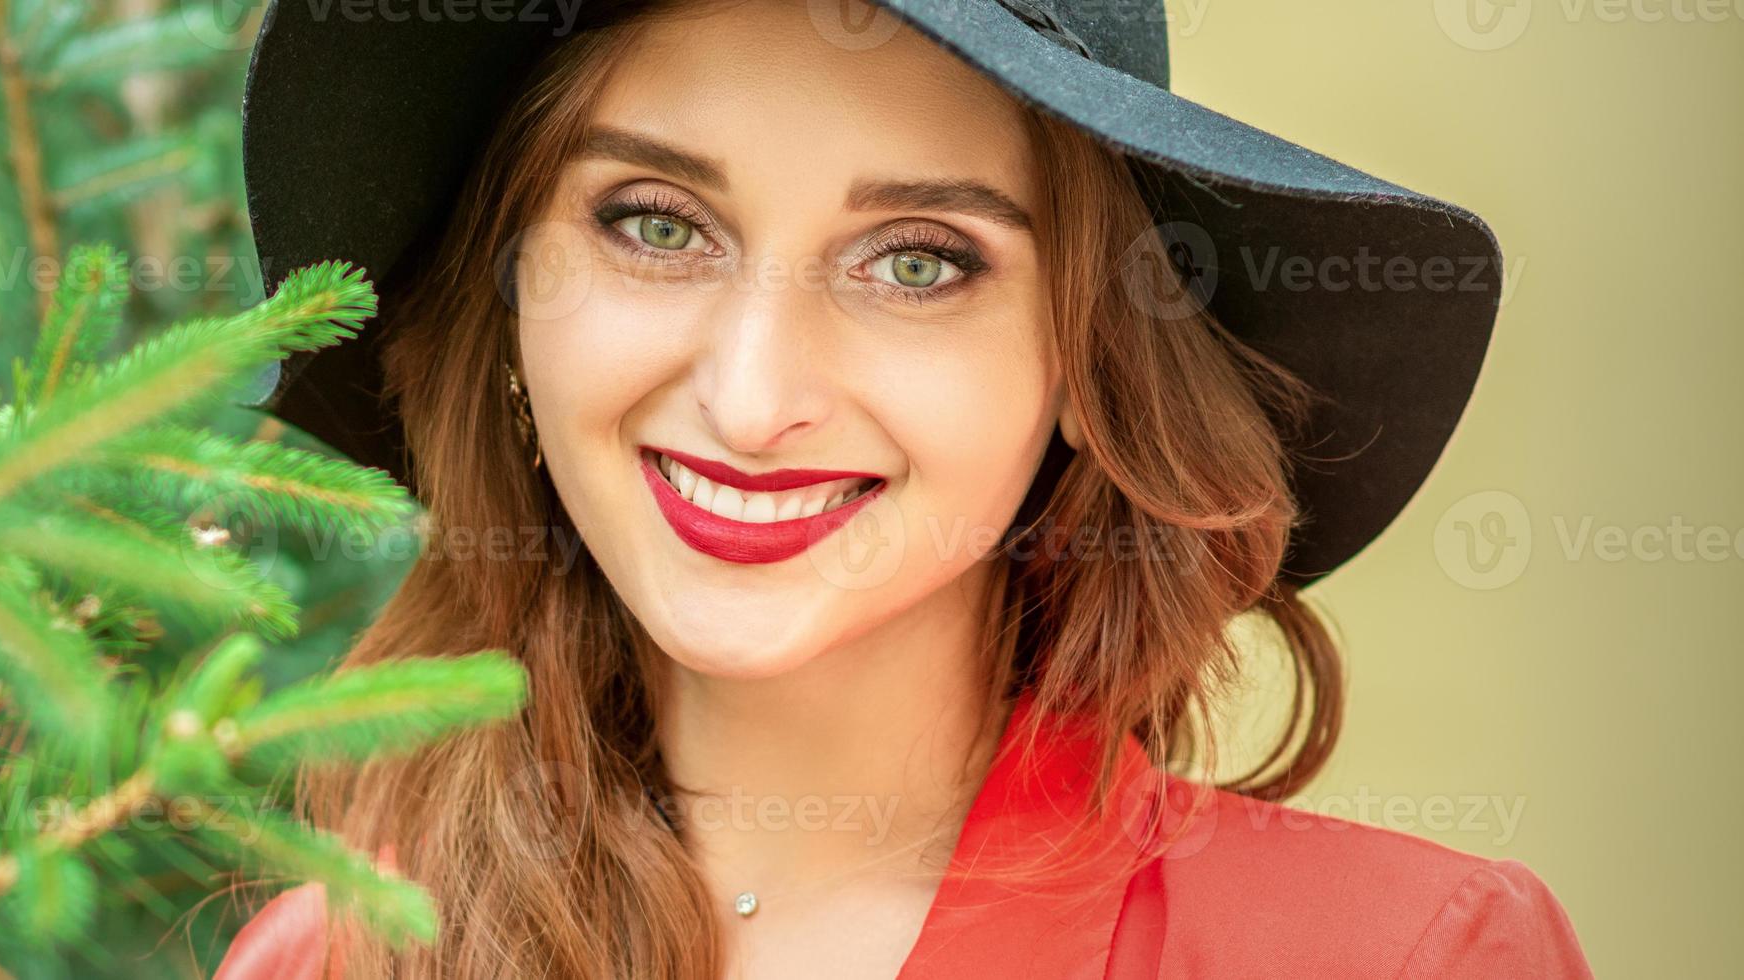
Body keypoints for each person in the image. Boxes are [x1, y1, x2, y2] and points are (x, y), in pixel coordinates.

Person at [217, 0, 1593, 976]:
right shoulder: (330, 966)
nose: (752, 402)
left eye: (918, 260)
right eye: (654, 223)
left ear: (1087, 356)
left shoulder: (1398, 958)